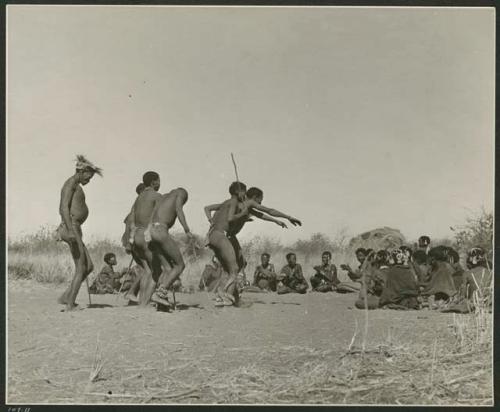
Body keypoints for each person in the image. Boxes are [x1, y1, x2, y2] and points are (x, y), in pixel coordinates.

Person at [205, 183, 302, 306]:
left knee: (239, 264)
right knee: (234, 268)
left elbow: (262, 215)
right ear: (255, 198)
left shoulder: (238, 205)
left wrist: (277, 220)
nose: (259, 204)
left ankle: (233, 296)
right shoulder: (247, 204)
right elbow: (268, 210)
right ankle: (225, 296)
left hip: (220, 236)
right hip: (223, 236)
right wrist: (288, 217)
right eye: (259, 201)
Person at [56, 155, 102, 311]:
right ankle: (70, 305)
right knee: (81, 267)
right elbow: (63, 208)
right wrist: (70, 230)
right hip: (71, 228)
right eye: (89, 176)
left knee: (88, 266)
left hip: (75, 228)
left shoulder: (76, 185)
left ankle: (66, 297)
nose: (89, 180)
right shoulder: (70, 184)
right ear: (83, 171)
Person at [143, 187, 193, 308]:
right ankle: (161, 292)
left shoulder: (163, 197)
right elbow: (179, 210)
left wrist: (148, 231)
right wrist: (187, 230)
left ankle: (161, 302)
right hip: (161, 230)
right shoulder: (180, 193)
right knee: (180, 265)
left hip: (152, 231)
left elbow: (153, 214)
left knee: (168, 268)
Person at [125, 171, 162, 305]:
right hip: (147, 236)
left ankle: (141, 300)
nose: (160, 183)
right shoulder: (157, 196)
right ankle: (145, 302)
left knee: (147, 270)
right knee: (156, 270)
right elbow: (160, 218)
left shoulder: (138, 198)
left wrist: (130, 239)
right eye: (159, 180)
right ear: (154, 182)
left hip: (136, 236)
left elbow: (131, 219)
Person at [121, 183, 146, 252]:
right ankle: (129, 243)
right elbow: (134, 211)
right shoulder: (139, 199)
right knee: (133, 227)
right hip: (135, 217)